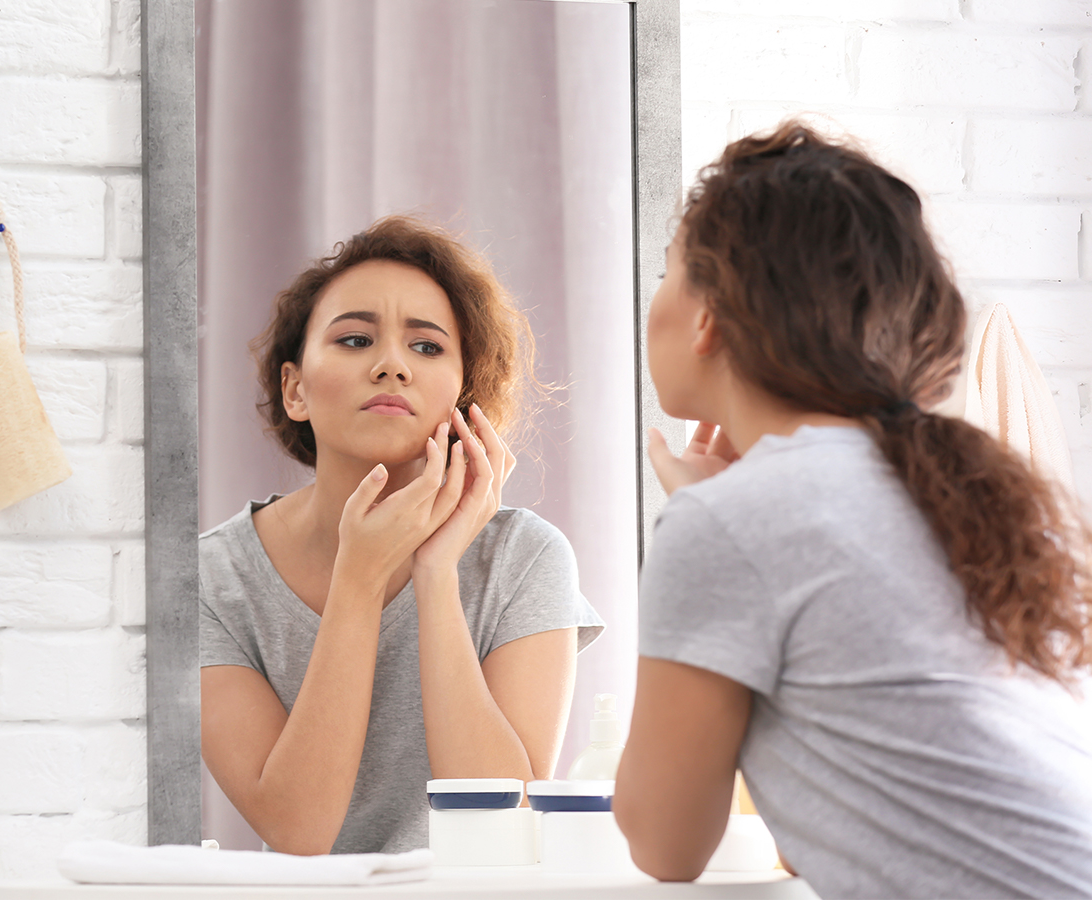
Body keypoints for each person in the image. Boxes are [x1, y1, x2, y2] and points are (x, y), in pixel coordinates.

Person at [613, 123, 1092, 898]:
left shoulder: (730, 522)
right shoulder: (960, 490)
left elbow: (665, 844)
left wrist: (711, 522)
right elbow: (841, 833)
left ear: (707, 317)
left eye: (668, 275)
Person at [199, 215, 603, 855]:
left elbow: (506, 820)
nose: (391, 365)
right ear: (295, 388)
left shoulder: (525, 557)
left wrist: (436, 573)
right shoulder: (214, 580)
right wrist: (357, 578)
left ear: (463, 395)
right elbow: (299, 831)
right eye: (355, 340)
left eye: (426, 347)